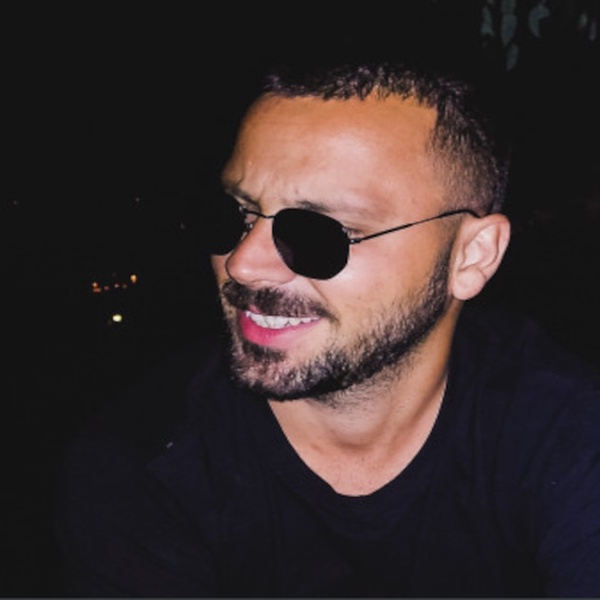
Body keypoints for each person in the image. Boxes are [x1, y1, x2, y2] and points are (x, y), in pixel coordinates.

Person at [54, 59, 600, 597]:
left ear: (471, 256)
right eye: (237, 215)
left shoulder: (564, 431)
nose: (244, 264)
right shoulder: (142, 465)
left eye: (322, 233)